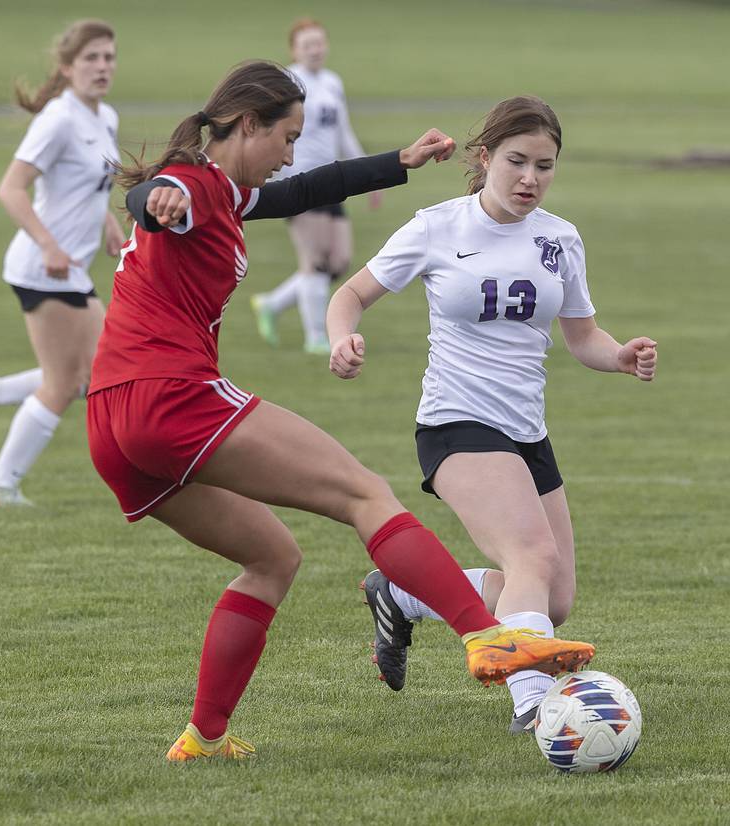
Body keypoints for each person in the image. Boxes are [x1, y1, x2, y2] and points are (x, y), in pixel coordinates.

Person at [96, 64, 595, 761]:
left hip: (110, 421)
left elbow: (305, 191)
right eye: (287, 136)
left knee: (271, 557)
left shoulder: (230, 193)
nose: (292, 154)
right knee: (366, 494)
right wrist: (159, 203)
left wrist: (400, 161)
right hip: (170, 395)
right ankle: (486, 634)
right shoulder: (196, 186)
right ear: (248, 125)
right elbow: (161, 191)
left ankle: (203, 738)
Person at [326, 95, 656, 734]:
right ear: (485, 158)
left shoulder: (560, 238)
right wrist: (343, 338)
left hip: (527, 432)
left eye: (545, 166)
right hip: (456, 423)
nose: (530, 178)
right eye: (517, 162)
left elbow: (581, 336)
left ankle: (400, 594)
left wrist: (620, 356)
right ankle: (536, 707)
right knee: (533, 555)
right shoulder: (436, 226)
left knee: (552, 598)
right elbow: (352, 293)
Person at [0, 19, 124, 508]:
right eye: (91, 58)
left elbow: (90, 186)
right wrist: (48, 245)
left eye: (109, 57)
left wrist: (107, 222)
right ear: (67, 68)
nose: (102, 67)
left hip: (69, 269)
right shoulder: (58, 120)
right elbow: (11, 189)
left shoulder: (104, 117)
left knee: (89, 374)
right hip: (41, 268)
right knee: (71, 380)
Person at [249, 19, 380, 355]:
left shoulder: (332, 82)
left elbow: (343, 132)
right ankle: (316, 338)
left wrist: (369, 174)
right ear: (294, 49)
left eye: (319, 43)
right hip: (299, 181)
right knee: (315, 261)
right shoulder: (288, 83)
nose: (315, 50)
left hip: (332, 179)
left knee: (338, 261)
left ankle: (272, 304)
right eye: (307, 45)